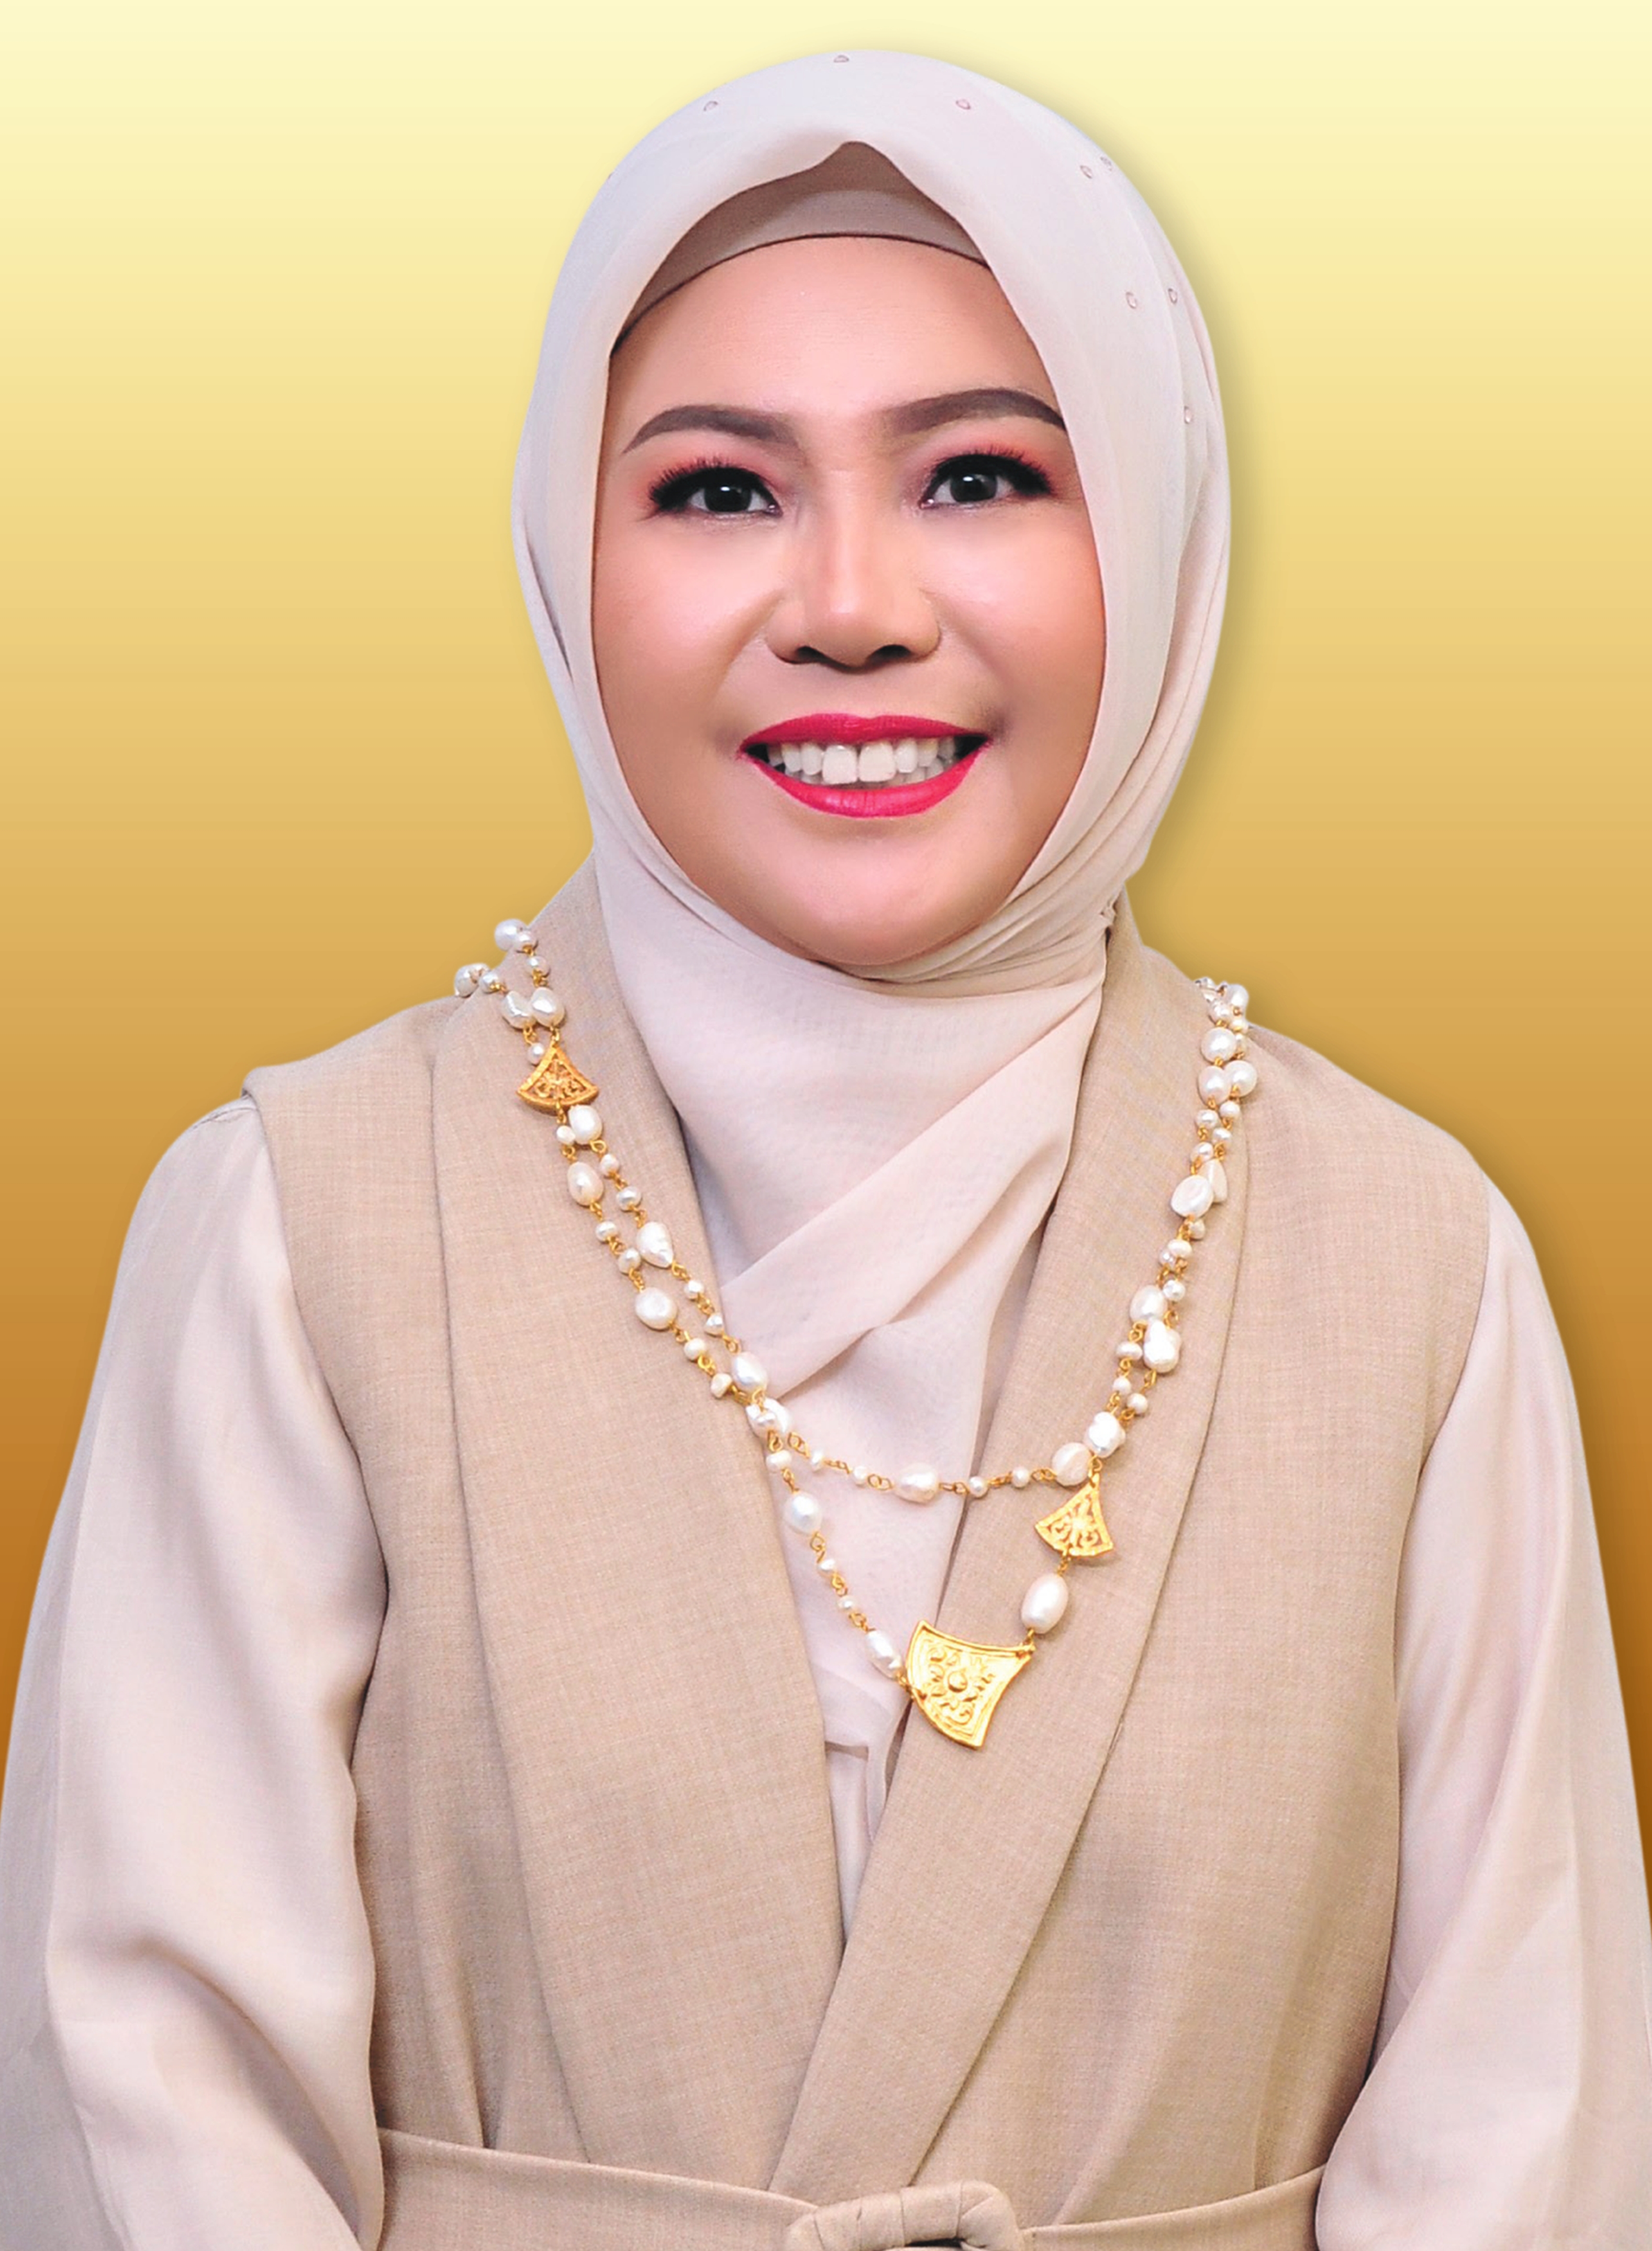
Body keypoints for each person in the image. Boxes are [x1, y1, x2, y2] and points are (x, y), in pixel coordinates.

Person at [2, 47, 1647, 2251]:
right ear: (567, 559)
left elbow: (1520, 2118)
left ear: (1153, 535)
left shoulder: (1409, 1261)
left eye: (979, 476)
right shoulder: (302, 1231)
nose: (852, 602)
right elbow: (148, 2091)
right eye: (717, 489)